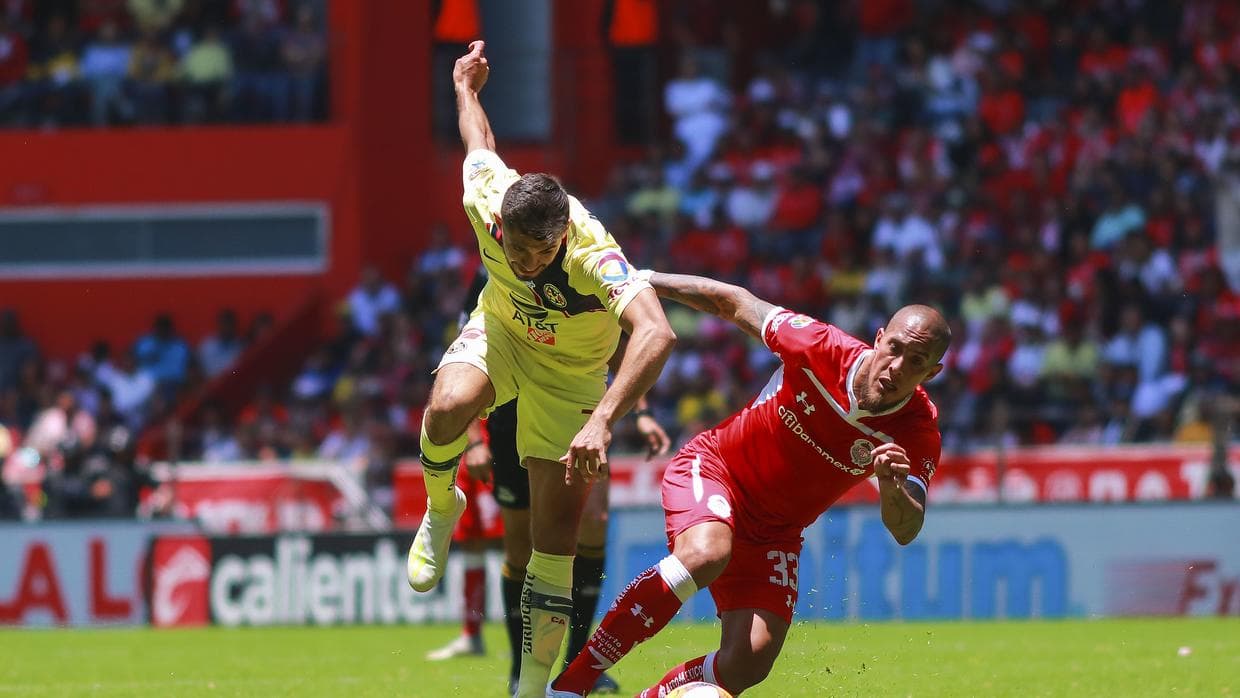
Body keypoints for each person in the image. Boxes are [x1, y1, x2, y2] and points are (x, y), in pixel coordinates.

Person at [406, 41, 676, 698]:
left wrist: (605, 419)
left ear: (561, 238)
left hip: (571, 376)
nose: (526, 262)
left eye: (539, 252)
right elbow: (479, 140)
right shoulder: (487, 196)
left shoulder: (593, 253)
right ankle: (441, 506)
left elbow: (656, 332)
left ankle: (532, 690)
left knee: (554, 544)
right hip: (502, 330)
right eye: (516, 248)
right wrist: (464, 88)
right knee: (445, 408)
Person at [550, 270, 951, 697]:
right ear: (879, 338)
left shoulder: (917, 431)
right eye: (895, 349)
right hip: (716, 469)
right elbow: (732, 301)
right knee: (705, 555)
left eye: (916, 362)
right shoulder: (819, 345)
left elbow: (906, 528)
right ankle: (569, 687)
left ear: (932, 373)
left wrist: (891, 488)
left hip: (776, 533)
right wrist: (642, 279)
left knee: (749, 661)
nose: (897, 367)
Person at [427, 267, 672, 696]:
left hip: (578, 406)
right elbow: (468, 353)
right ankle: (520, 670)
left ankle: (578, 666)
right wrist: (473, 440)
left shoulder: (587, 264)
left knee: (593, 524)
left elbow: (620, 345)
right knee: (520, 545)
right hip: (509, 418)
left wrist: (643, 411)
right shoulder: (489, 273)